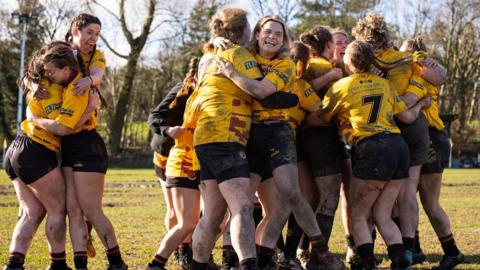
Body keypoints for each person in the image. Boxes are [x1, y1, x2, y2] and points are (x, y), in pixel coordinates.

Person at [217, 16, 345, 270]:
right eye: (267, 32)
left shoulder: (285, 66)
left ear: (284, 40)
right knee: (241, 204)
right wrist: (215, 40)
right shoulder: (244, 56)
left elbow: (312, 108)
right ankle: (235, 259)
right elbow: (222, 54)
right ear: (256, 33)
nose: (272, 37)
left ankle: (321, 251)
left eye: (278, 33)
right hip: (250, 133)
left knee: (291, 194)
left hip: (279, 133)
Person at [308, 40, 431, 270]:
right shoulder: (384, 84)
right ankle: (401, 260)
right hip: (398, 147)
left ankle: (367, 263)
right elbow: (406, 117)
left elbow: (319, 117)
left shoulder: (342, 86)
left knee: (358, 214)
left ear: (349, 61)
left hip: (373, 148)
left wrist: (307, 117)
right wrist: (421, 104)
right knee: (382, 213)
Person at [352, 12, 446, 266]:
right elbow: (440, 76)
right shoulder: (405, 58)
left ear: (363, 39)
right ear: (386, 35)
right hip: (412, 127)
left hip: (387, 129)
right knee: (406, 193)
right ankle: (407, 249)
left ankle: (365, 251)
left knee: (371, 196)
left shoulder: (364, 62)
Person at [27, 41, 127, 270]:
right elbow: (30, 71)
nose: (48, 76)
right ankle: (80, 264)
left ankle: (117, 262)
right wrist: (31, 85)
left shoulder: (77, 87)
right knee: (73, 209)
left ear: (65, 68)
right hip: (69, 147)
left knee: (91, 210)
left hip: (87, 145)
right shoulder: (57, 80)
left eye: (52, 71)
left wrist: (34, 119)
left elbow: (65, 129)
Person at [3, 41, 100, 270]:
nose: (48, 73)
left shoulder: (43, 79)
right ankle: (57, 264)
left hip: (16, 149)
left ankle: (13, 264)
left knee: (32, 212)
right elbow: (65, 129)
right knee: (58, 210)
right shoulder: (59, 82)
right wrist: (89, 109)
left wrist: (31, 89)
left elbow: (27, 74)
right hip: (36, 150)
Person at [183, 8, 263, 270]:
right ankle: (250, 265)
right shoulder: (238, 54)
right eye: (249, 26)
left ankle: (197, 264)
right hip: (226, 134)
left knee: (214, 211)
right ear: (241, 30)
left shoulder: (206, 57)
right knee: (242, 206)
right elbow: (262, 89)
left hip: (204, 137)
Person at [400, 37, 464, 270]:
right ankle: (414, 249)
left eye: (404, 54)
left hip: (429, 138)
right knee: (406, 198)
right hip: (421, 137)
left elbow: (406, 106)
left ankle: (452, 252)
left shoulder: (422, 75)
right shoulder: (421, 73)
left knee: (429, 202)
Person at [147, 57, 201, 270]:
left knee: (196, 213)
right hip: (167, 154)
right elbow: (154, 117)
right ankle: (181, 252)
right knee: (174, 211)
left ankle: (193, 252)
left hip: (194, 156)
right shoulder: (183, 89)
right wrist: (168, 130)